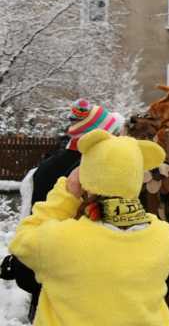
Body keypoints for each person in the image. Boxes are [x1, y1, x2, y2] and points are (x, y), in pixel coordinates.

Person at [9, 129, 169, 325]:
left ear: (86, 179)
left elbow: (23, 239)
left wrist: (66, 194)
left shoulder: (64, 241)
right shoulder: (164, 237)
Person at [0, 99, 124, 322]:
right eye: (113, 133)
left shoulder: (49, 166)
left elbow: (31, 223)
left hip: (48, 271)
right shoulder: (90, 170)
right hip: (70, 277)